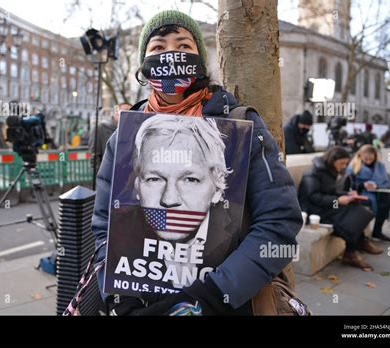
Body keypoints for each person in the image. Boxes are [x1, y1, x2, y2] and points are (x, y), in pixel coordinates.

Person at [91, 10, 302, 315]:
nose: (171, 55)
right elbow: (103, 228)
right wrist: (119, 297)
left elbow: (279, 225)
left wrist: (212, 297)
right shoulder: (123, 138)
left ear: (201, 60)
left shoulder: (240, 125)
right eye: (158, 48)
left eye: (183, 46)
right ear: (144, 65)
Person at [106, 114, 242, 292]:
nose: (169, 199)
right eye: (155, 179)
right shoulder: (118, 232)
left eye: (190, 180)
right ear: (137, 185)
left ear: (217, 188)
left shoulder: (243, 233)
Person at [298, 146, 383, 272]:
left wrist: (346, 195)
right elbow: (313, 197)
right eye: (342, 163)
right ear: (333, 160)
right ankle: (350, 253)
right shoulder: (313, 173)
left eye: (346, 163)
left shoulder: (329, 170)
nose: (344, 166)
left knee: (356, 207)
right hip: (314, 210)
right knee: (348, 218)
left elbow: (330, 190)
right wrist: (337, 201)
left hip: (325, 204)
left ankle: (360, 242)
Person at [346, 145, 390, 242]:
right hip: (361, 192)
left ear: (375, 156)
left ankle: (379, 231)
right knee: (385, 201)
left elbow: (386, 183)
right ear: (360, 156)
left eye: (371, 159)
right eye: (366, 159)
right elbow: (349, 186)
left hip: (378, 191)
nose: (368, 161)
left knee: (384, 200)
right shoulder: (353, 166)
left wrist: (377, 186)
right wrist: (363, 185)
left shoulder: (380, 166)